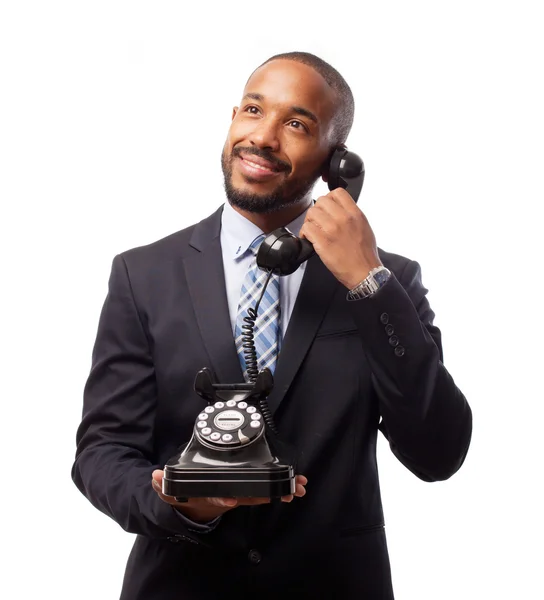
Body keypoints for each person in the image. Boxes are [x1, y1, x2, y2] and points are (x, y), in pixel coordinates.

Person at [72, 51, 473, 599]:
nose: (262, 137)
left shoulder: (387, 282)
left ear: (338, 161)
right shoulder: (142, 274)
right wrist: (179, 503)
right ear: (232, 118)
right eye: (254, 111)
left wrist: (367, 283)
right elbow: (102, 453)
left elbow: (439, 451)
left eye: (296, 123)